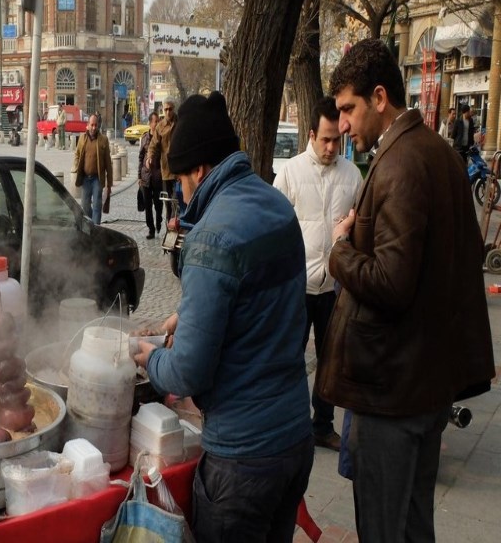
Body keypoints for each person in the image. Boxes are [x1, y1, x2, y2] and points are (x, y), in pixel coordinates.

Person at [318, 38, 495, 541]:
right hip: (424, 385)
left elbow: (391, 283)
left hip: (392, 391)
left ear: (379, 97)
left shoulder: (398, 164)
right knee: (415, 525)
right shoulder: (436, 152)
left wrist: (340, 249)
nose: (344, 123)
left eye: (349, 109)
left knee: (383, 527)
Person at [134, 92, 313, 542]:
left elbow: (188, 372)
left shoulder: (211, 238)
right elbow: (261, 306)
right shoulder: (278, 206)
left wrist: (148, 358)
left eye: (181, 179)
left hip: (243, 458)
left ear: (199, 169)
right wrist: (188, 316)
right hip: (294, 438)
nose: (180, 191)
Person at [273, 96, 363, 452]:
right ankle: (286, 424)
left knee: (330, 361)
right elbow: (275, 229)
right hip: (298, 287)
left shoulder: (352, 176)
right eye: (324, 139)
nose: (330, 147)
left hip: (334, 289)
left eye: (335, 140)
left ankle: (322, 425)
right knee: (290, 358)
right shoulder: (290, 173)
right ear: (310, 134)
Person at [73, 113, 112, 224]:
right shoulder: (82, 138)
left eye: (96, 125)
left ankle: (96, 230)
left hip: (97, 179)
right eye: (92, 125)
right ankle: (90, 226)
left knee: (96, 205)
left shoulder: (103, 140)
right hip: (85, 178)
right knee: (85, 206)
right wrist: (76, 166)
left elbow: (108, 163)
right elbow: (77, 154)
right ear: (88, 125)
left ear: (98, 125)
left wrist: (109, 184)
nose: (94, 127)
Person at [146, 99, 177, 220]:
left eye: (170, 109)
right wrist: (150, 157)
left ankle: (177, 226)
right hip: (166, 170)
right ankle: (169, 227)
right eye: (166, 109)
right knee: (168, 203)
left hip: (179, 170)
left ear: (174, 109)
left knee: (177, 201)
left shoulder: (180, 123)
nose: (168, 112)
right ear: (163, 110)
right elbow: (153, 144)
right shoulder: (160, 127)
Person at [137, 111, 163, 239]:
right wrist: (139, 176)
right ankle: (151, 229)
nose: (157, 123)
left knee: (158, 204)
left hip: (158, 176)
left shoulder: (161, 138)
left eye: (158, 121)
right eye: (155, 121)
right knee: (148, 205)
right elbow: (141, 157)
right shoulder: (145, 138)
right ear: (150, 123)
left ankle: (159, 221)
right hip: (146, 176)